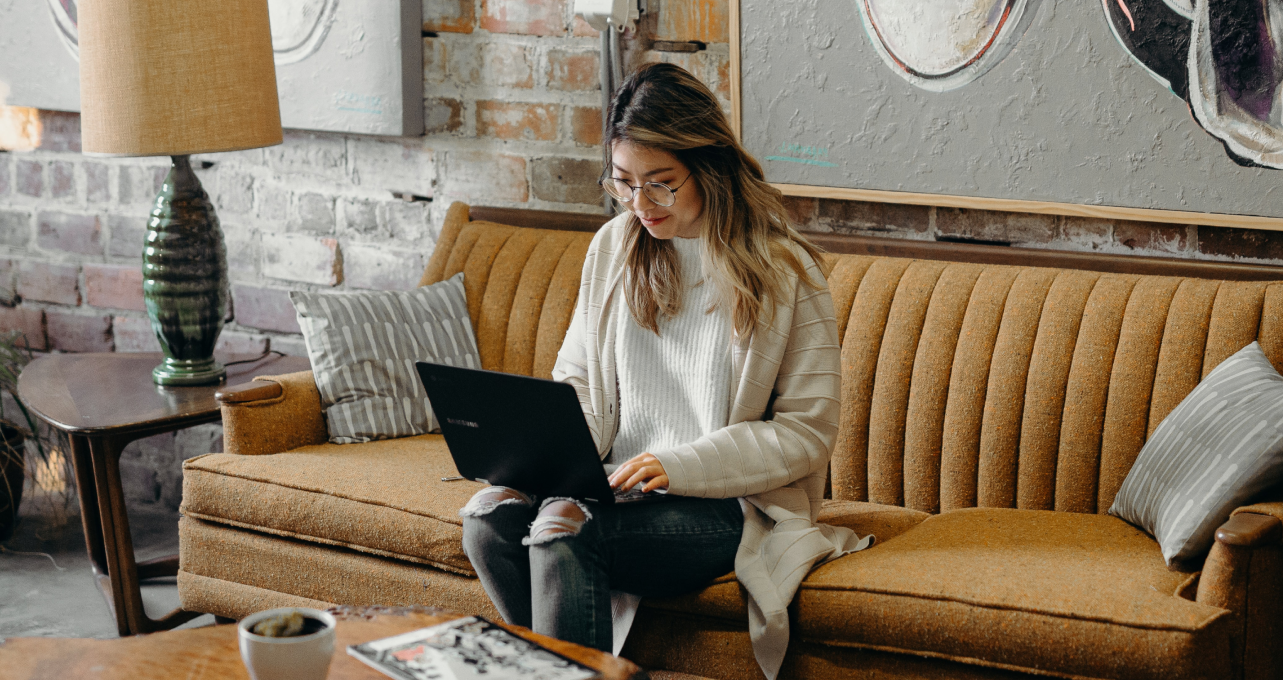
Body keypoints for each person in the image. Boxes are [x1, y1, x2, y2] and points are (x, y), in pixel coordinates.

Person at [459, 62, 871, 680]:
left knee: (564, 531)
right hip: (610, 486)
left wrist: (677, 466)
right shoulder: (613, 247)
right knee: (488, 520)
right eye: (623, 183)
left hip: (726, 503)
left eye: (661, 184)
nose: (640, 204)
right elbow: (576, 377)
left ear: (708, 168)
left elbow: (807, 433)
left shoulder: (784, 271)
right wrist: (545, 451)